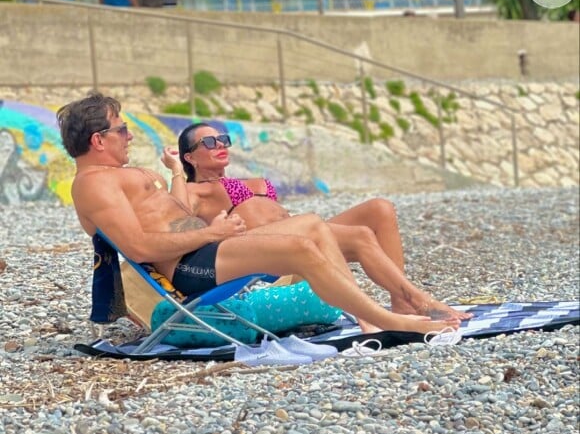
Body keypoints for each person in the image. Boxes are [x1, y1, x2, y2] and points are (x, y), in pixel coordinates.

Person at [57, 93, 459, 336]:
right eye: (122, 129)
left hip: (209, 248)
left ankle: (405, 302)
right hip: (190, 268)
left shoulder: (115, 176)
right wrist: (210, 234)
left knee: (314, 225)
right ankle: (387, 319)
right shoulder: (93, 183)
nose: (129, 136)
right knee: (301, 246)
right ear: (98, 140)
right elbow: (138, 245)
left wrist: (213, 229)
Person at [162, 122, 472, 322]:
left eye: (223, 139)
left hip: (302, 233)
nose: (221, 146)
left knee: (380, 209)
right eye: (210, 142)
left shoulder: (247, 181)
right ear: (190, 157)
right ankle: (402, 306)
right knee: (361, 234)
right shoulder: (196, 190)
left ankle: (401, 304)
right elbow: (176, 210)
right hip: (267, 251)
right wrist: (175, 169)